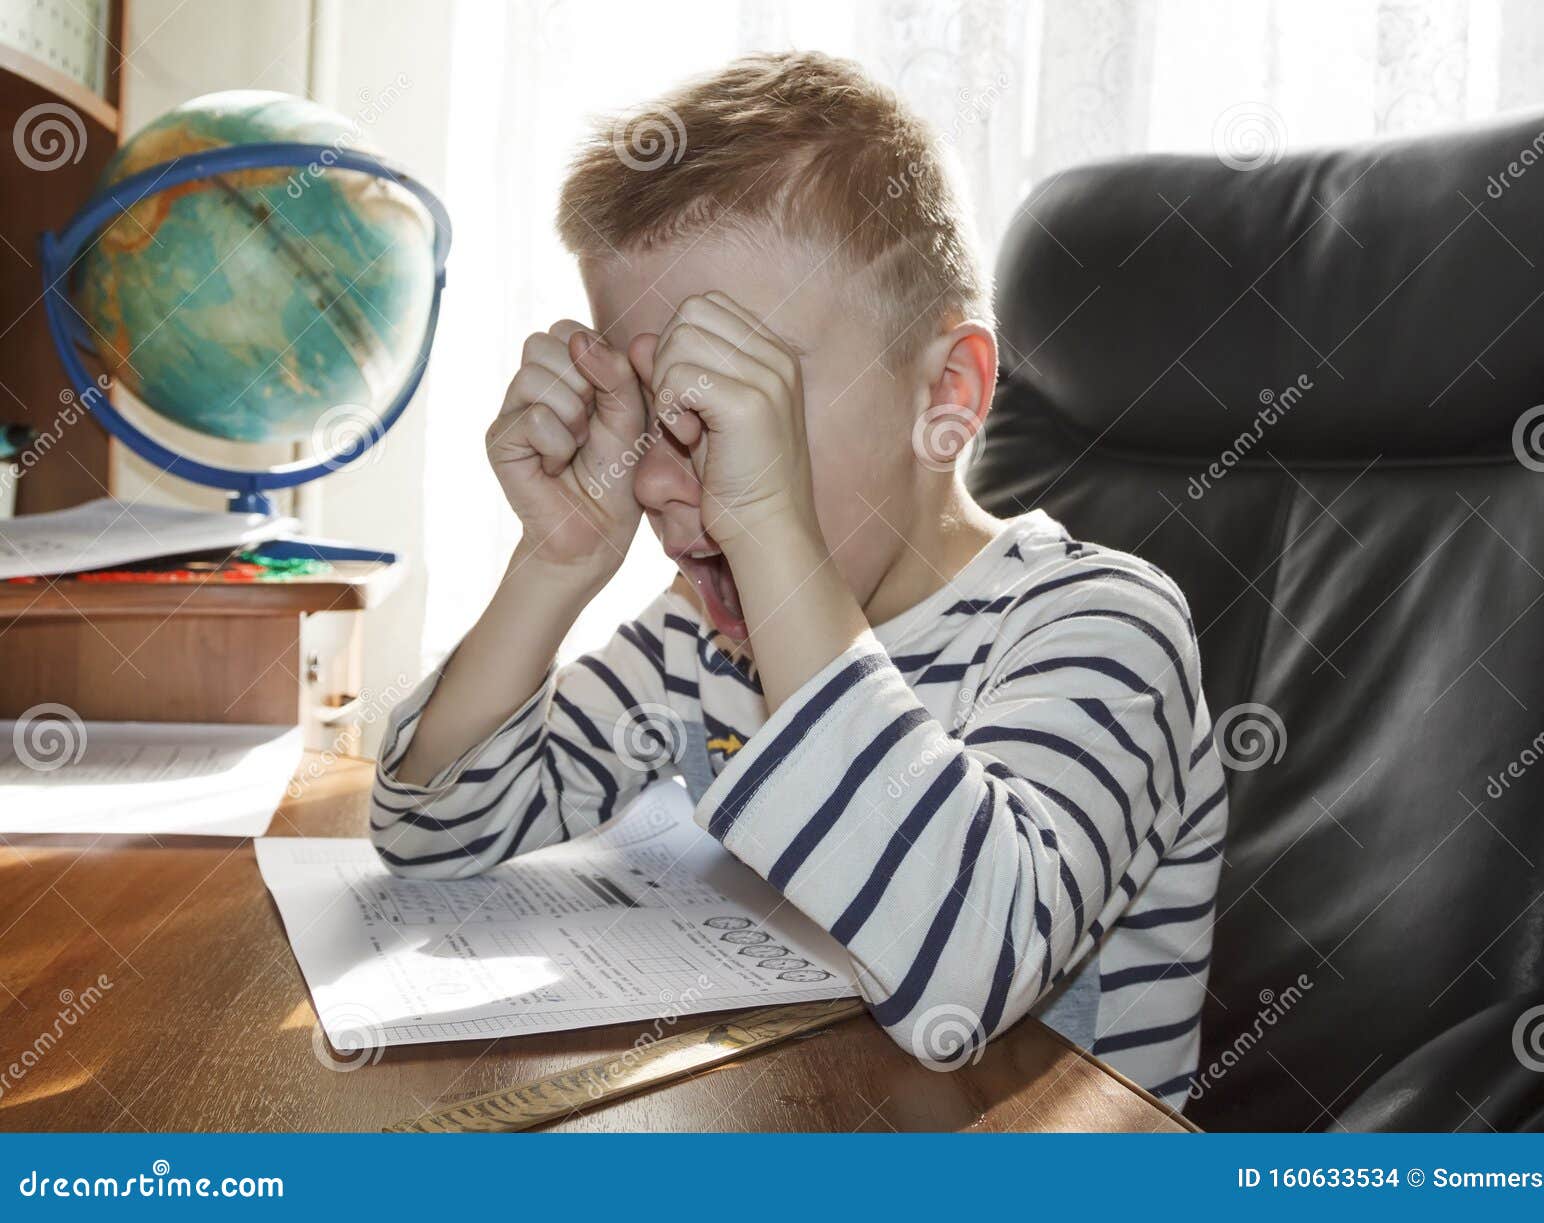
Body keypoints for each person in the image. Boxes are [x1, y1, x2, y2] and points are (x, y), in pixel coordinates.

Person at [370, 51, 1227, 1108]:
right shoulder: (700, 634)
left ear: (945, 394)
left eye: (737, 400)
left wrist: (768, 528)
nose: (661, 474)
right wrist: (554, 566)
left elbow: (966, 977)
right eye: (648, 408)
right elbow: (433, 835)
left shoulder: (1101, 623)